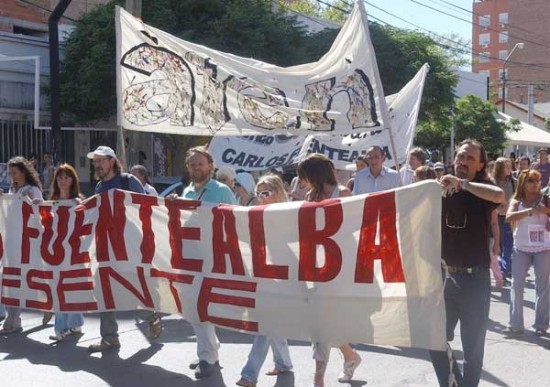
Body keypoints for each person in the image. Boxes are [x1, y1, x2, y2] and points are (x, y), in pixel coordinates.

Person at [430, 139, 505, 387]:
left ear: (481, 164)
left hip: (475, 280)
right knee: (434, 340)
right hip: (444, 278)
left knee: (473, 350)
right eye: (461, 156)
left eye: (470, 158)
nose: (463, 161)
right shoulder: (439, 188)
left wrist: (463, 184)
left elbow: (500, 195)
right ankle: (451, 381)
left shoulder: (483, 187)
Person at [86, 146, 162, 353]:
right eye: (95, 162)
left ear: (112, 161)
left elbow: (145, 208)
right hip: (106, 246)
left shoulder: (128, 181)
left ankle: (151, 315)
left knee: (128, 286)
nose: (97, 165)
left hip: (129, 246)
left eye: (101, 161)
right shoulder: (100, 187)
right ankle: (109, 338)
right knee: (103, 289)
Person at [297, 153, 362, 387]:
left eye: (305, 176)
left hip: (338, 266)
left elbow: (352, 227)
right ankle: (349, 356)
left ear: (314, 174)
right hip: (314, 264)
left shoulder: (342, 193)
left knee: (323, 322)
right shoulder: (309, 196)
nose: (303, 182)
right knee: (320, 322)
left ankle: (319, 378)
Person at [175, 146, 237, 379]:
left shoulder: (222, 190)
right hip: (191, 258)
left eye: (200, 163)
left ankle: (207, 356)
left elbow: (236, 220)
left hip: (214, 258)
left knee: (203, 307)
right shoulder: (187, 192)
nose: (196, 167)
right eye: (192, 164)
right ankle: (208, 351)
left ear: (210, 166)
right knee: (195, 308)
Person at [236, 175, 294, 387]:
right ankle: (284, 363)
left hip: (283, 275)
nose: (260, 198)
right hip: (262, 273)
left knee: (266, 324)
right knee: (271, 323)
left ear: (277, 193)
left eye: (265, 193)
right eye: (258, 194)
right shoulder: (254, 213)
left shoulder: (290, 213)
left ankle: (249, 375)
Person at [0, 156, 43, 334]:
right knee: (10, 279)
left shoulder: (32, 190)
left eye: (15, 173)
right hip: (12, 239)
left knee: (19, 279)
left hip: (25, 241)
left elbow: (40, 211)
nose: (12, 176)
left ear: (24, 172)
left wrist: (31, 202)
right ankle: (12, 318)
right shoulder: (14, 188)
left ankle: (14, 319)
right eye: (10, 173)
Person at [505, 169, 550, 336]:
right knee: (516, 286)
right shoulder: (517, 200)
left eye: (538, 181)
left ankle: (541, 324)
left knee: (543, 287)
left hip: (543, 248)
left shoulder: (546, 198)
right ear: (523, 182)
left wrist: (547, 215)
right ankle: (515, 324)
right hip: (521, 248)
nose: (535, 184)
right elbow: (509, 217)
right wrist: (530, 211)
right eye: (531, 181)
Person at [47, 164, 86, 341]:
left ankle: (74, 324)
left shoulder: (79, 201)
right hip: (55, 252)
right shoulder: (50, 202)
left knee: (72, 287)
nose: (62, 180)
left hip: (74, 251)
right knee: (58, 288)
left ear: (73, 180)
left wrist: (81, 206)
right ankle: (62, 327)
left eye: (66, 177)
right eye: (60, 177)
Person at [493, 157, 515, 280]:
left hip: (510, 217)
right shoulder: (493, 182)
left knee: (509, 245)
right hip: (497, 217)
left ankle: (504, 269)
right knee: (499, 246)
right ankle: (503, 268)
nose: (509, 169)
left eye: (509, 166)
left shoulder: (513, 181)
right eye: (506, 166)